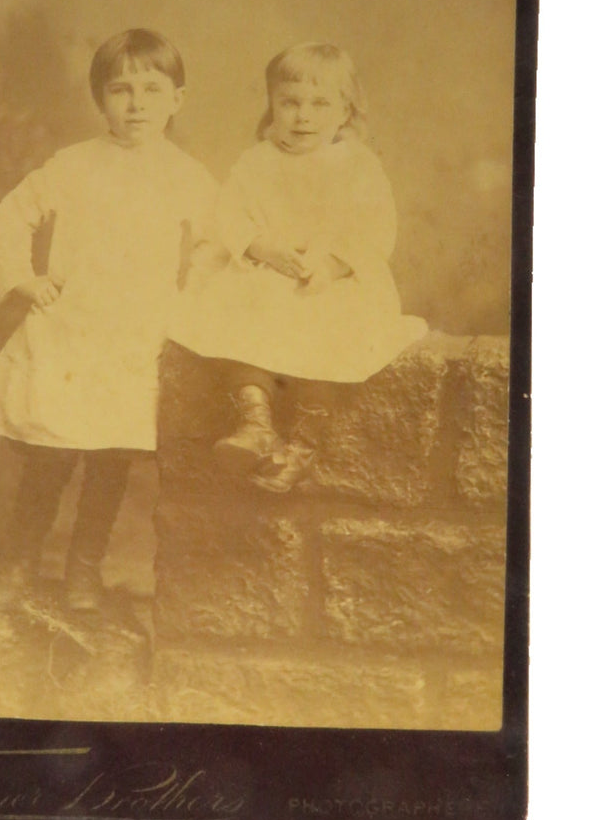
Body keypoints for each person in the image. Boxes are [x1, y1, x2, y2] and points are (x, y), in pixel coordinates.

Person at [0, 29, 216, 609]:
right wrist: (24, 279)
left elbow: (217, 243)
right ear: (100, 99)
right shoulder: (73, 165)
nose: (136, 105)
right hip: (70, 332)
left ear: (177, 99)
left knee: (110, 461)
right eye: (121, 90)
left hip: (133, 338)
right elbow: (12, 216)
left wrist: (186, 305)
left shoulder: (186, 175)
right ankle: (19, 563)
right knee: (50, 456)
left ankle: (85, 569)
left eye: (152, 90)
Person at [170, 41, 427, 493]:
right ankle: (255, 421)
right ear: (272, 106)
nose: (303, 116)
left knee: (329, 334)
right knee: (234, 316)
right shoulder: (257, 161)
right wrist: (261, 247)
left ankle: (303, 446)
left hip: (329, 282)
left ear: (345, 112)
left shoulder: (358, 166)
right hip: (268, 275)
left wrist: (333, 263)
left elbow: (375, 225)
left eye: (320, 104)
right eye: (289, 103)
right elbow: (230, 213)